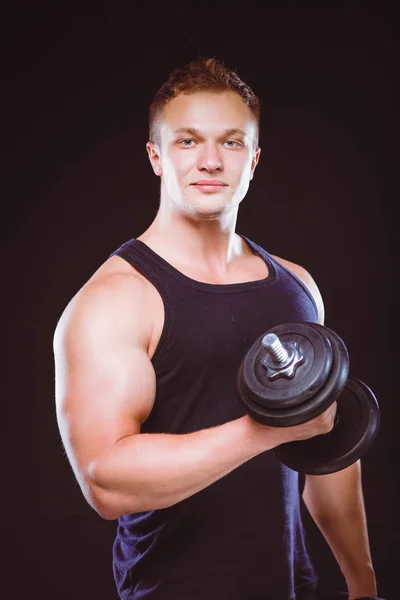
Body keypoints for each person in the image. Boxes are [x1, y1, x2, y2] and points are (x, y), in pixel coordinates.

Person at [53, 57, 379, 600]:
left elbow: (327, 446)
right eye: (187, 141)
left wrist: (363, 582)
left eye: (230, 143)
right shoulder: (116, 300)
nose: (210, 161)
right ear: (156, 156)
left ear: (253, 159)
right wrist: (269, 429)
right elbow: (106, 479)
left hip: (291, 587)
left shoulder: (296, 286)